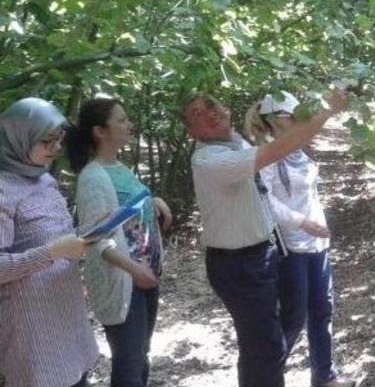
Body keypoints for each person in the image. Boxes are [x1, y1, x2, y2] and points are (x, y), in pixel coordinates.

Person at [181, 89, 347, 387]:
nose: (209, 112)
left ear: (226, 108)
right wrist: (328, 112)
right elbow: (275, 153)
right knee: (266, 347)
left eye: (211, 103)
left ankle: (320, 375)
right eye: (197, 114)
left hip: (259, 256)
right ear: (190, 131)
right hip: (239, 265)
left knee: (266, 344)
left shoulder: (235, 145)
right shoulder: (211, 160)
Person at [244, 93, 355, 387]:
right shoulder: (264, 155)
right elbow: (264, 202)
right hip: (288, 247)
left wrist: (319, 225)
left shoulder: (299, 152)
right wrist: (303, 222)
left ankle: (324, 375)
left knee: (323, 309)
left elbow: (309, 195)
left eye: (298, 116)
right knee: (293, 316)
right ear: (272, 120)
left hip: (316, 244)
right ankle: (267, 375)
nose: (297, 122)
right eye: (290, 116)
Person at [66, 97, 173, 387]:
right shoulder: (92, 177)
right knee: (129, 364)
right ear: (100, 131)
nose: (129, 125)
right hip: (125, 283)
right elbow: (93, 237)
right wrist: (133, 269)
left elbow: (125, 208)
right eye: (122, 120)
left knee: (141, 356)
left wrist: (155, 201)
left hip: (145, 277)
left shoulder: (120, 168)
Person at [0, 97, 98, 387]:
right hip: (33, 327)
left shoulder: (43, 180)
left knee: (78, 378)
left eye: (59, 140)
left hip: (65, 309)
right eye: (47, 141)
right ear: (19, 139)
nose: (56, 148)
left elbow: (57, 234)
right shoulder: (3, 189)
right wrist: (51, 252)